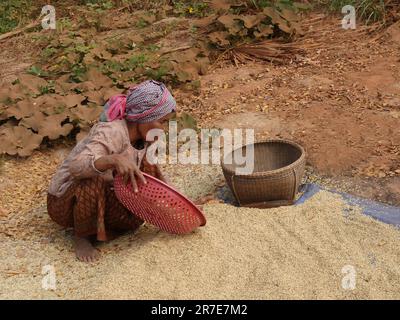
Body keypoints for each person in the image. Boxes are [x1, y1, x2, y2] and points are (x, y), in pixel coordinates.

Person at [47, 80, 177, 262]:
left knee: (146, 169)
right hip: (65, 202)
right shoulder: (111, 131)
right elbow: (76, 167)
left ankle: (102, 227)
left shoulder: (146, 138)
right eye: (161, 122)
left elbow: (157, 176)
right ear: (143, 117)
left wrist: (177, 202)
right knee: (94, 177)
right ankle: (82, 236)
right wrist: (112, 160)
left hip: (108, 191)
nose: (163, 129)